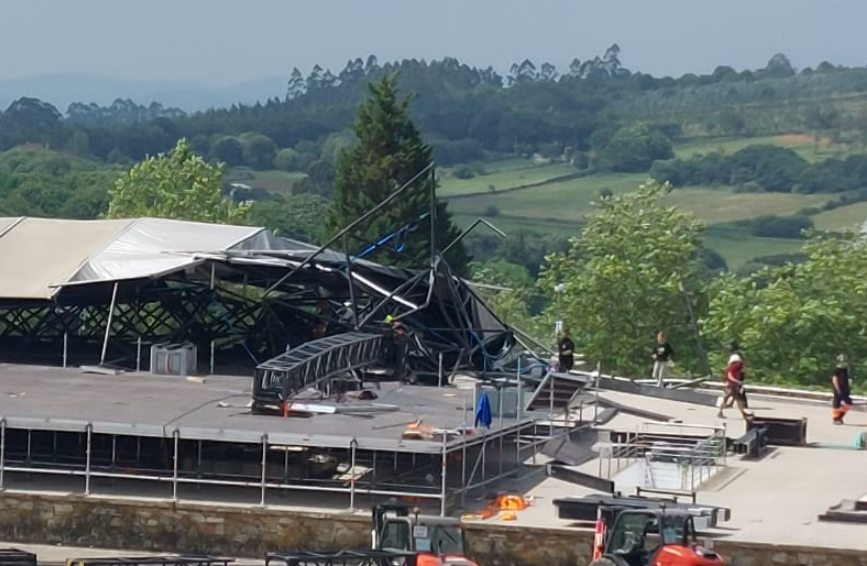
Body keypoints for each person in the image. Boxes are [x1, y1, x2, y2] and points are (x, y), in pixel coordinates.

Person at [718, 353, 752, 420]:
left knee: (739, 400)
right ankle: (720, 412)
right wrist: (737, 381)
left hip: (735, 387)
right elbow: (730, 376)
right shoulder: (731, 368)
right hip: (730, 386)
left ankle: (743, 413)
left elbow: (743, 373)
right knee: (728, 399)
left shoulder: (738, 368)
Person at [831, 354, 853, 425]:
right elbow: (834, 379)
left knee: (849, 404)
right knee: (836, 405)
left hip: (845, 390)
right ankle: (835, 419)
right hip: (838, 390)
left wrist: (848, 387)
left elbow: (848, 379)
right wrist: (838, 389)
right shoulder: (836, 370)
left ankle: (839, 417)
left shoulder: (845, 370)